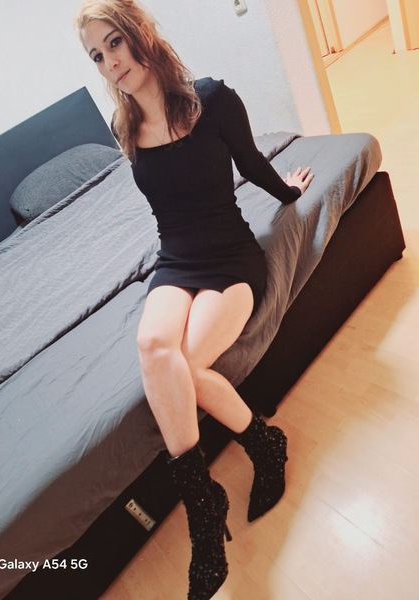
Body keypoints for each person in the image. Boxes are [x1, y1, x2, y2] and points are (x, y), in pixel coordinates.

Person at [77, 2, 313, 598]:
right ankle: (206, 503)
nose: (109, 62)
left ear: (140, 34)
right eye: (96, 56)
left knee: (185, 363)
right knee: (152, 346)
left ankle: (251, 466)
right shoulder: (124, 127)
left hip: (230, 257)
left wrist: (289, 192)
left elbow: (252, 163)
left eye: (114, 43)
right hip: (175, 260)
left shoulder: (212, 100)